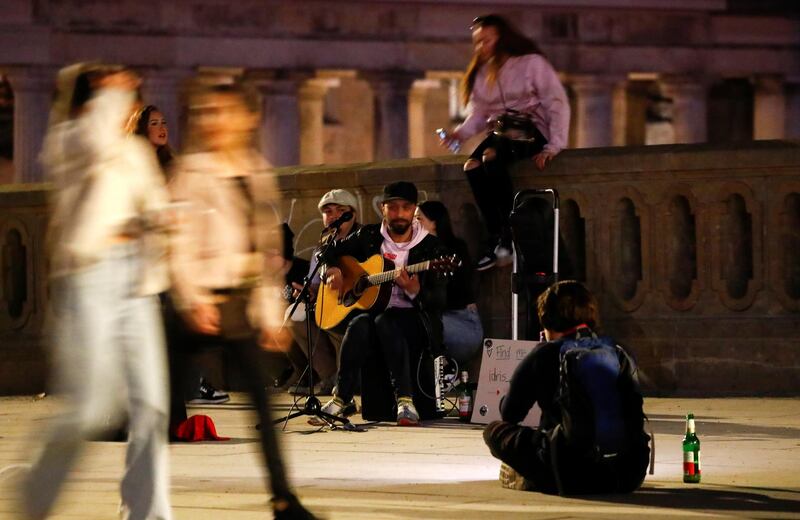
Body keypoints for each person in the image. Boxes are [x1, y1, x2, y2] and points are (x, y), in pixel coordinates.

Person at [22, 63, 173, 520]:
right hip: (89, 276)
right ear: (90, 102)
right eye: (111, 93)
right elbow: (94, 146)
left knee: (151, 403)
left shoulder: (132, 153)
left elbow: (156, 206)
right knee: (91, 406)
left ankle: (147, 512)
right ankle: (35, 493)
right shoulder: (69, 138)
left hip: (136, 279)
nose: (124, 99)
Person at [168, 81, 319, 519]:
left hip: (238, 304)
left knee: (260, 400)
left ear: (246, 118)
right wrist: (193, 297)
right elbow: (178, 242)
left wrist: (271, 313)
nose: (213, 121)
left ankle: (284, 500)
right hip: (197, 303)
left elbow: (263, 247)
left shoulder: (254, 170)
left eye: (222, 112)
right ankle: (140, 500)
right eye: (206, 113)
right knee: (160, 405)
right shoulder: (192, 172)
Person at [483, 280, 650, 495]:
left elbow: (510, 414)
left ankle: (536, 477)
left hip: (572, 473)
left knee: (495, 431)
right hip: (629, 474)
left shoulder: (545, 354)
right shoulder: (617, 352)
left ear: (547, 320)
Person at [439, 14, 570, 271]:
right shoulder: (483, 73)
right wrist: (459, 134)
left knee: (491, 157)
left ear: (502, 39)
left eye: (486, 40)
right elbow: (479, 113)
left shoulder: (531, 64)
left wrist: (554, 145)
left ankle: (510, 234)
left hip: (532, 129)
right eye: (477, 42)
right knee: (472, 166)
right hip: (501, 133)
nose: (481, 47)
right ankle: (497, 235)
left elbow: (556, 102)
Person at [315, 181, 449, 426]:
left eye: (406, 208)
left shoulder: (432, 247)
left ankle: (406, 402)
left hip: (415, 320)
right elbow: (326, 251)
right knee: (358, 325)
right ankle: (341, 398)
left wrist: (414, 291)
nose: (399, 214)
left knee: (386, 321)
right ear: (383, 209)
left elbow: (439, 301)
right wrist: (331, 268)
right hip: (375, 313)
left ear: (414, 210)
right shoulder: (368, 236)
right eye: (393, 207)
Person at [131, 103, 230, 406]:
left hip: (175, 256)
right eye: (154, 124)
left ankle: (189, 383)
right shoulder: (135, 166)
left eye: (164, 123)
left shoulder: (173, 163)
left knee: (180, 319)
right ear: (141, 129)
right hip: (146, 257)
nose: (162, 128)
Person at [284, 189, 361, 396]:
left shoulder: (364, 239)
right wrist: (309, 292)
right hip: (330, 304)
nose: (334, 216)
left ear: (352, 214)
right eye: (328, 212)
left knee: (333, 319)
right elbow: (319, 287)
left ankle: (349, 382)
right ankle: (328, 377)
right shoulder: (322, 246)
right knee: (294, 314)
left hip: (355, 306)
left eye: (340, 210)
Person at [415, 200, 483, 366]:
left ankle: (442, 369)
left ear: (434, 223)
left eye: (419, 219)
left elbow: (454, 292)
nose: (414, 223)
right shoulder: (416, 252)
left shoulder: (455, 250)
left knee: (416, 322)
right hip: (437, 322)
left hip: (461, 324)